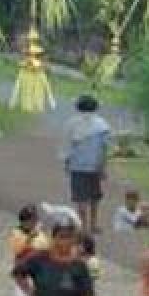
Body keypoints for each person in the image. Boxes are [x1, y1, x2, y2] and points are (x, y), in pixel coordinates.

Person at [61, 95, 111, 234]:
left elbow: (66, 146)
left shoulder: (71, 124)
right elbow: (104, 148)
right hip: (95, 166)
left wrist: (66, 162)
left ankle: (83, 226)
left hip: (77, 166)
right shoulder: (102, 125)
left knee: (80, 197)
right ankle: (94, 224)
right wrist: (103, 166)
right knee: (94, 196)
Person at [9, 205, 49, 296]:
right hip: (22, 274)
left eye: (34, 220)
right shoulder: (16, 234)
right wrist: (31, 237)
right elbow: (18, 250)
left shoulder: (42, 235)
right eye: (29, 221)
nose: (32, 223)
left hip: (39, 275)